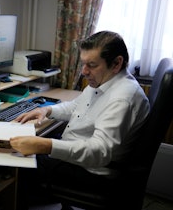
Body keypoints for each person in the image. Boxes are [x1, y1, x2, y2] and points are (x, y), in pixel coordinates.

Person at [10, 31, 150, 209]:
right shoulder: (104, 81)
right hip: (83, 157)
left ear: (116, 63)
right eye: (83, 64)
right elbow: (77, 106)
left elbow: (100, 151)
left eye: (91, 65)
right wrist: (47, 110)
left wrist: (46, 145)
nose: (84, 72)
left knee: (15, 164)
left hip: (94, 173)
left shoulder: (122, 98)